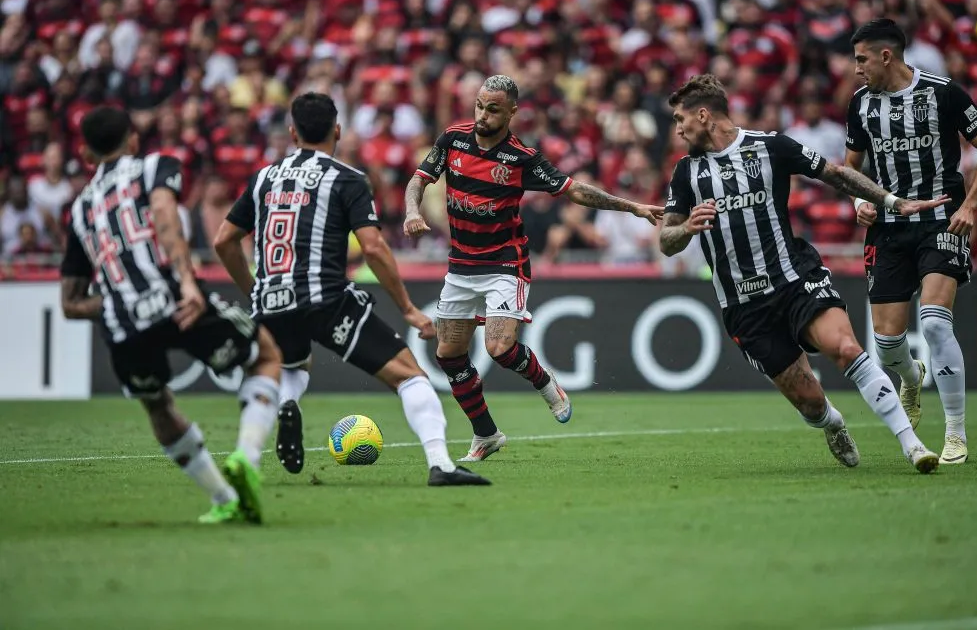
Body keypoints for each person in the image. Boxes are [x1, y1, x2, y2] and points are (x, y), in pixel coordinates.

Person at [658, 74, 945, 473]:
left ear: (703, 115)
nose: (678, 128)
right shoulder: (685, 173)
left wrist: (891, 200)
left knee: (846, 349)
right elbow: (665, 240)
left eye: (680, 119)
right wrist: (686, 228)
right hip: (744, 304)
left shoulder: (771, 146)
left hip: (794, 279)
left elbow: (836, 173)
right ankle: (832, 422)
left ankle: (913, 445)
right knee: (810, 403)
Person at [213, 92, 489, 487]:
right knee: (410, 376)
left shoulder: (262, 178)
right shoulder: (347, 178)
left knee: (288, 366)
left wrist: (256, 290)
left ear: (292, 132)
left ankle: (279, 414)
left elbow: (224, 241)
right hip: (325, 298)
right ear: (337, 130)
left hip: (271, 299)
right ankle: (441, 464)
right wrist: (408, 308)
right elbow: (374, 247)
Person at [403, 75, 663, 462]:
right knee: (448, 355)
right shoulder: (452, 138)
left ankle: (545, 383)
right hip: (460, 264)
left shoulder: (521, 158)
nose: (482, 114)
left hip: (505, 262)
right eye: (479, 105)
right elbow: (418, 181)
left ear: (511, 112)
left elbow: (575, 189)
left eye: (493, 109)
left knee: (498, 348)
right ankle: (486, 434)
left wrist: (633, 206)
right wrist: (411, 210)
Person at [60, 106, 282, 525]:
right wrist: (185, 282)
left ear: (87, 155)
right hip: (173, 300)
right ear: (132, 140)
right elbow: (164, 214)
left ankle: (223, 498)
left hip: (122, 327)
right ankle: (247, 459)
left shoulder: (77, 211)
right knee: (266, 355)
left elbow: (70, 303)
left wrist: (114, 301)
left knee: (158, 405)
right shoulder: (154, 167)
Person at [845, 19, 977, 465]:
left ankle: (955, 432)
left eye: (861, 59)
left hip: (942, 221)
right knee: (887, 343)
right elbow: (851, 164)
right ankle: (911, 378)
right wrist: (860, 199)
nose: (856, 69)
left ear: (885, 56)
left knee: (934, 324)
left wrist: (970, 205)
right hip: (889, 228)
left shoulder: (944, 92)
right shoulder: (860, 104)